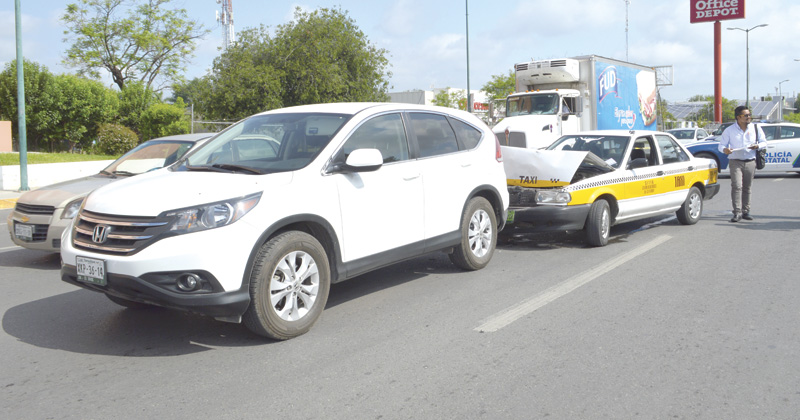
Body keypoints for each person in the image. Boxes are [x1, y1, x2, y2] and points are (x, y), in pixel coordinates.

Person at [718, 106, 767, 222]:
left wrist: (757, 146)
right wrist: (725, 150)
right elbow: (721, 145)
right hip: (735, 162)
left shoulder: (756, 128)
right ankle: (737, 212)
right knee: (737, 186)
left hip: (750, 161)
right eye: (746, 115)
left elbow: (764, 142)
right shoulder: (729, 130)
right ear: (738, 117)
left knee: (747, 187)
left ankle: (746, 211)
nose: (749, 117)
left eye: (749, 115)